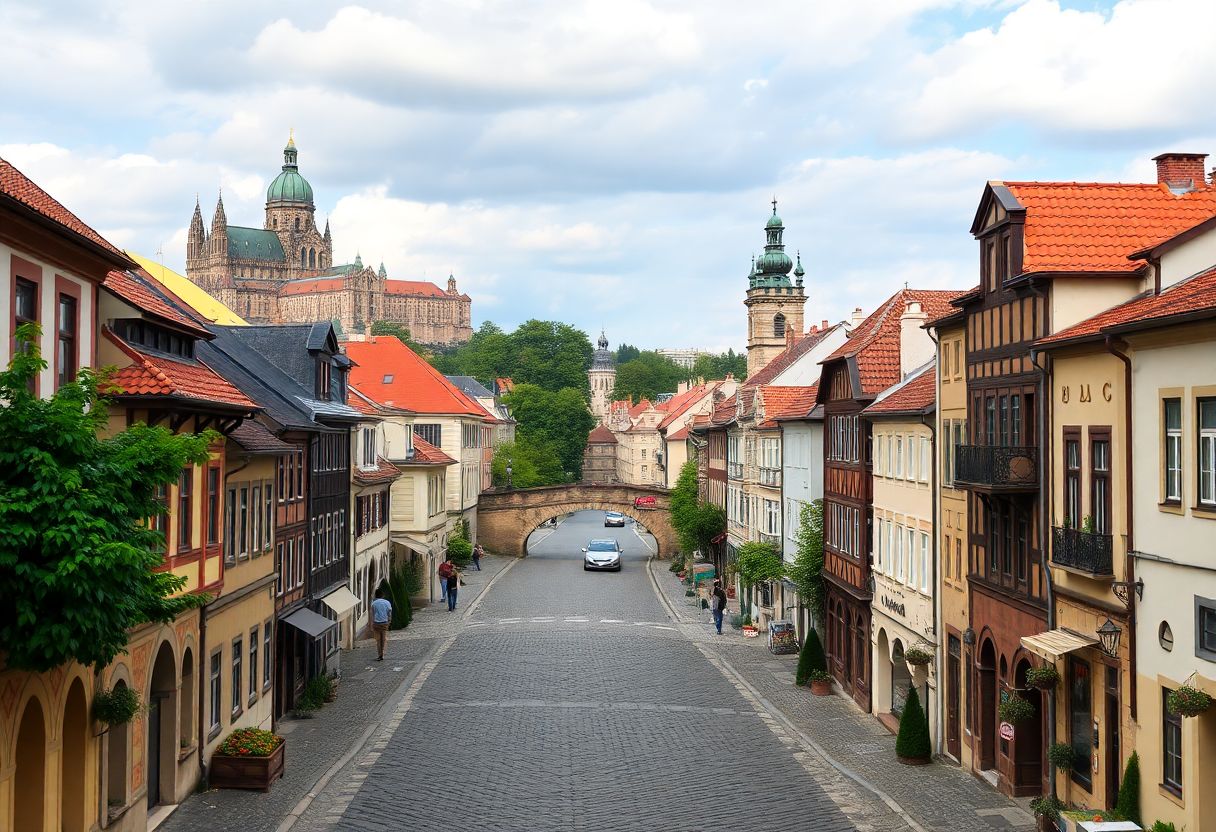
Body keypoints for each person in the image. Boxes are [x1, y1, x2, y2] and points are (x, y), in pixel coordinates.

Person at [370, 588, 393, 660]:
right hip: (384, 623)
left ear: (376, 595)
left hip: (376, 623)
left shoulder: (373, 603)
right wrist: (389, 621)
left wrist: (372, 624)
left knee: (378, 640)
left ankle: (379, 655)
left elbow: (372, 614)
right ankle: (382, 653)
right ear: (382, 595)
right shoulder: (387, 602)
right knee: (383, 639)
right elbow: (389, 613)